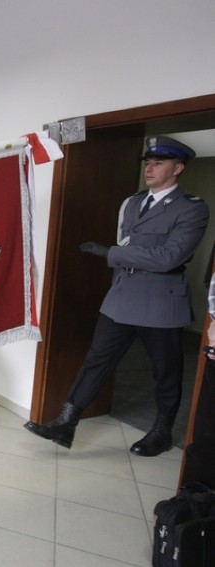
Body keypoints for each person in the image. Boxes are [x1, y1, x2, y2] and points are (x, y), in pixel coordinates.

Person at [25, 135, 210, 457]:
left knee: (165, 371)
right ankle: (66, 423)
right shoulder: (133, 202)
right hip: (123, 296)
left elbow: (168, 257)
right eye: (148, 163)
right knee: (96, 361)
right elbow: (130, 250)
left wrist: (110, 253)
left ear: (178, 168)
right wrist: (118, 269)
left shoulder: (191, 208)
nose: (150, 168)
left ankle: (161, 431)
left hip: (161, 300)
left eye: (159, 163)